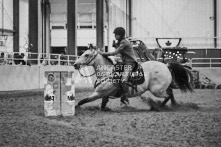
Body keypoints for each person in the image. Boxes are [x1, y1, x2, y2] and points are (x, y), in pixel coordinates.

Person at [98, 27, 138, 98]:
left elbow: (115, 53)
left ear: (120, 35)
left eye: (116, 34)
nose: (115, 36)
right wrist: (116, 45)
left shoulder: (124, 42)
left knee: (123, 80)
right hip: (125, 63)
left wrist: (102, 53)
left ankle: (125, 97)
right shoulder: (121, 41)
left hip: (130, 63)